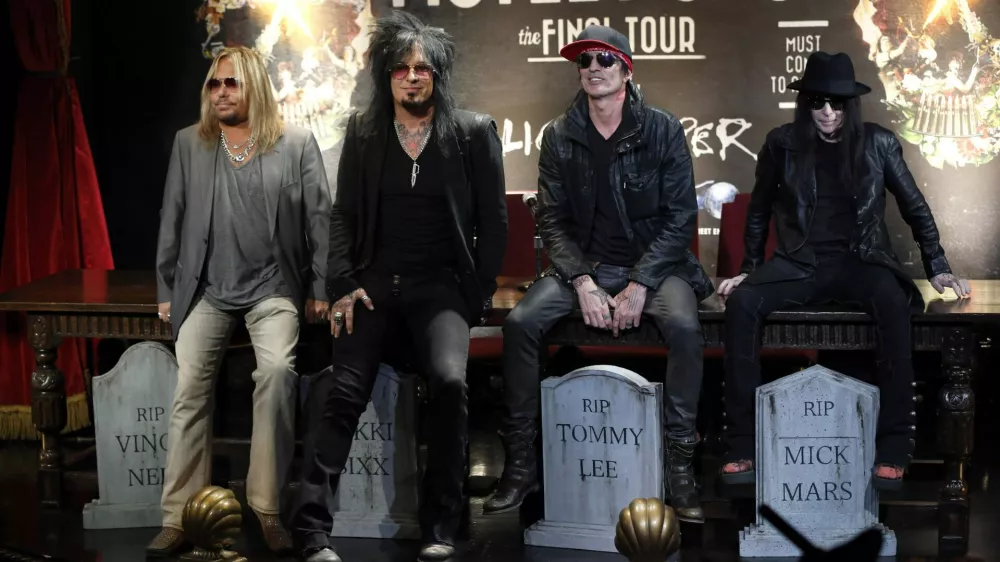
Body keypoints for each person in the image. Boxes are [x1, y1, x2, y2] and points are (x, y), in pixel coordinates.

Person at [287, 11, 507, 562]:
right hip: (373, 288)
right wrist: (342, 283)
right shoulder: (364, 132)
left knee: (450, 383)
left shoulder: (472, 133)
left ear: (437, 75)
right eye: (401, 69)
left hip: (441, 290)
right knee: (341, 390)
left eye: (422, 69)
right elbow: (342, 216)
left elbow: (495, 221)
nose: (412, 77)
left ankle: (440, 527)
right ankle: (311, 531)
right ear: (386, 75)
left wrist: (475, 294)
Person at [483, 25, 714, 524]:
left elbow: (680, 220)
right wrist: (582, 281)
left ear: (626, 71)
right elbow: (552, 221)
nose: (592, 68)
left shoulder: (662, 129)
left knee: (684, 327)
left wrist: (640, 283)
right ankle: (521, 465)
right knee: (521, 323)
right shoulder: (559, 135)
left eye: (604, 60)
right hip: (584, 268)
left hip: (657, 269)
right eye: (584, 60)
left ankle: (679, 468)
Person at [716, 51, 972, 491]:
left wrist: (938, 267)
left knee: (893, 302)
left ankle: (894, 447)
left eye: (836, 103)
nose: (828, 112)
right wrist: (750, 268)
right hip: (800, 264)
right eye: (818, 102)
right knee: (741, 304)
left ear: (851, 104)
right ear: (806, 103)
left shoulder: (879, 143)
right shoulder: (781, 143)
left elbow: (914, 206)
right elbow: (758, 210)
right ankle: (742, 445)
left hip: (862, 261)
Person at [150, 46, 331, 557]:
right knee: (189, 388)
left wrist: (320, 289)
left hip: (273, 287)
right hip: (207, 289)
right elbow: (171, 217)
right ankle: (179, 515)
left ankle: (266, 508)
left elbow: (321, 220)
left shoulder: (296, 143)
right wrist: (166, 290)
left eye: (231, 83)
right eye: (214, 83)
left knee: (275, 375)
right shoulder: (190, 142)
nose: (221, 92)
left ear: (254, 86)